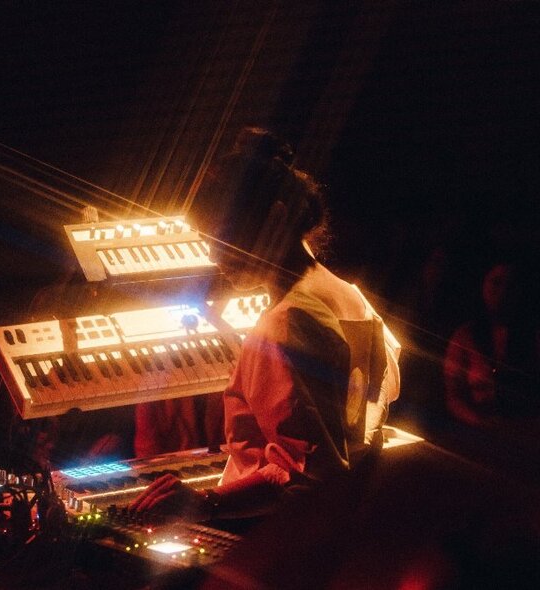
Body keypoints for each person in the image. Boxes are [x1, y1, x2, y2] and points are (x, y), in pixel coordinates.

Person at [130, 127, 400, 520]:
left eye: (220, 238)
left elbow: (303, 474)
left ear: (275, 217)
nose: (214, 255)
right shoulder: (356, 299)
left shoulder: (283, 325)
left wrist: (203, 503)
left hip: (273, 535)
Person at [443, 261, 540, 427]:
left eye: (510, 286)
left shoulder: (534, 336)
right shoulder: (465, 336)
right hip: (474, 430)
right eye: (496, 283)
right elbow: (453, 396)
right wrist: (480, 423)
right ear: (483, 285)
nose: (503, 292)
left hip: (524, 430)